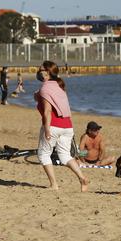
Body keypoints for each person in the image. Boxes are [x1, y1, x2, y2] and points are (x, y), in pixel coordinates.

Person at [34, 61, 89, 192]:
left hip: (53, 125)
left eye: (41, 69)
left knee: (43, 154)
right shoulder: (59, 87)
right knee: (65, 156)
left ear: (46, 72)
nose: (38, 70)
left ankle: (54, 185)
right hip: (67, 126)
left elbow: (47, 111)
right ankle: (82, 178)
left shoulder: (46, 87)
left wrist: (47, 129)